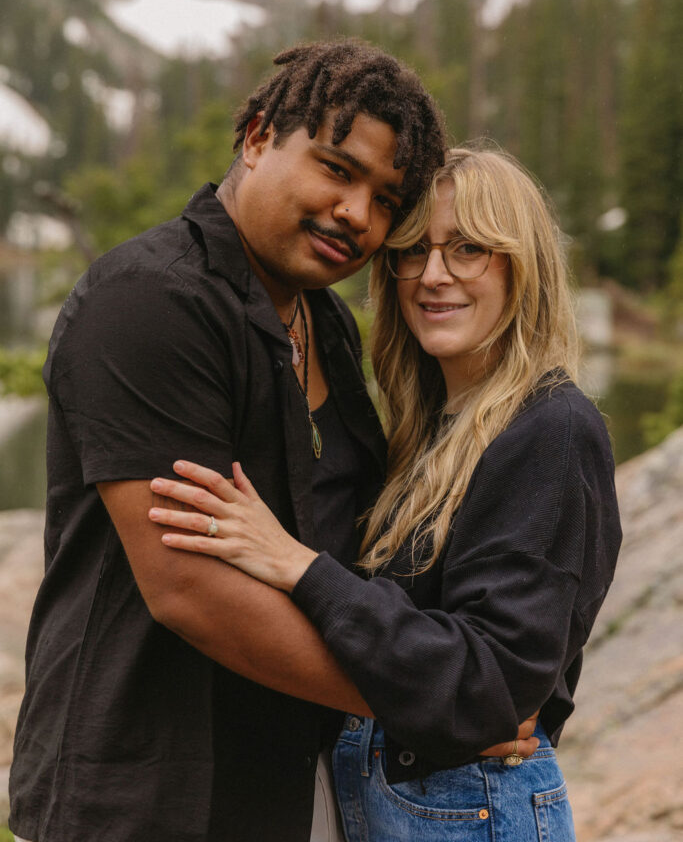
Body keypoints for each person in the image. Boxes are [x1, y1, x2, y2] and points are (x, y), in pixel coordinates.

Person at [9, 39, 456, 842]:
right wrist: (434, 701)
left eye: (387, 199)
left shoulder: (324, 325)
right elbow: (189, 589)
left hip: (290, 782)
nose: (358, 214)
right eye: (336, 168)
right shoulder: (150, 302)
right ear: (256, 139)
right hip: (142, 794)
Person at [145, 146, 622, 841]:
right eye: (414, 251)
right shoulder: (430, 427)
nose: (432, 276)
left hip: (468, 810)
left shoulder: (551, 426)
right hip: (397, 799)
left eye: (467, 249)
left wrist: (297, 565)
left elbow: (492, 677)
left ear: (524, 267)